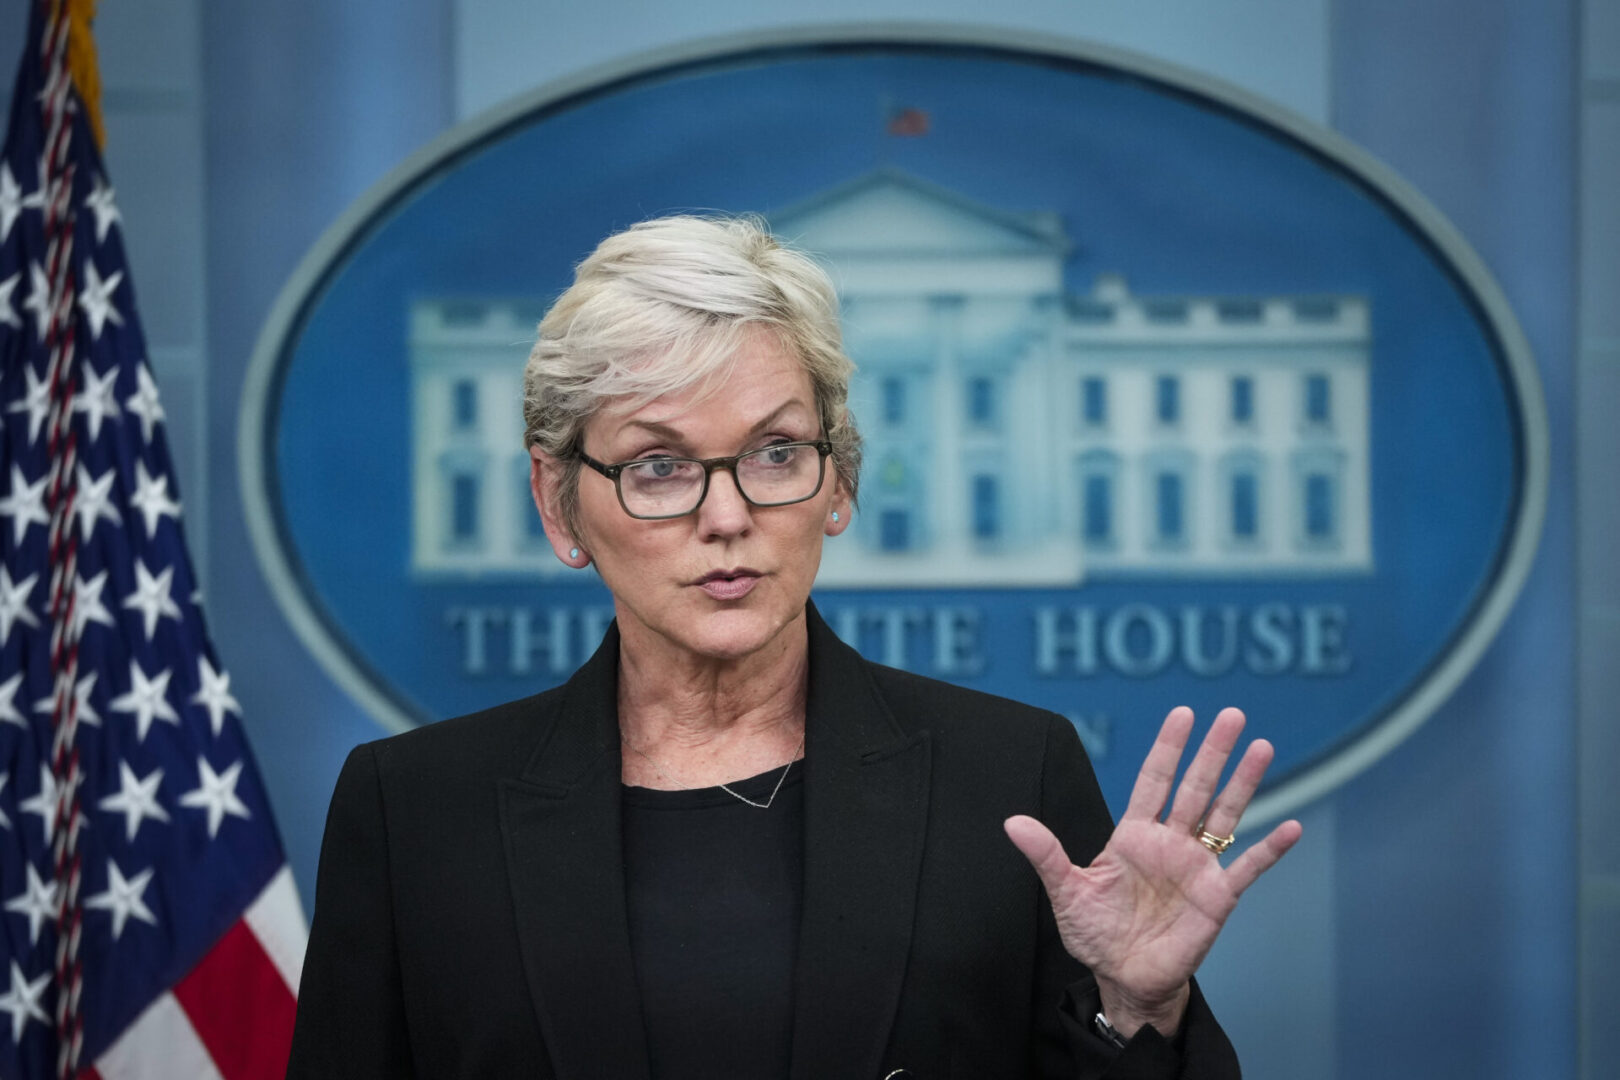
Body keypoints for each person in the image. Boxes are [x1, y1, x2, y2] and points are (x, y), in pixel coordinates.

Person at [286, 215, 1302, 1079]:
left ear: (840, 482)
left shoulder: (1011, 778)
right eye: (659, 465)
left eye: (775, 452)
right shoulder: (413, 812)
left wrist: (1136, 1013)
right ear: (561, 506)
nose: (727, 515)